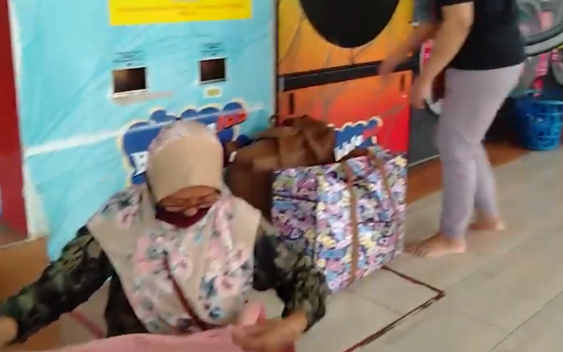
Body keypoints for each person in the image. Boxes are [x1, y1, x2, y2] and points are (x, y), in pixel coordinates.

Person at [0, 120, 328, 352]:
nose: (191, 212)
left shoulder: (236, 222)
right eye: (176, 203)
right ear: (153, 187)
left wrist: (291, 324)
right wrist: (9, 324)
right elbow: (54, 290)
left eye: (204, 201)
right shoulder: (120, 223)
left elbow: (302, 274)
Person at [378, 0, 526, 257]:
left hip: (487, 62)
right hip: (489, 60)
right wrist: (398, 56)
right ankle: (489, 217)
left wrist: (425, 79)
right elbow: (434, 21)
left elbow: (458, 22)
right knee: (466, 140)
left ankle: (451, 236)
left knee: (454, 143)